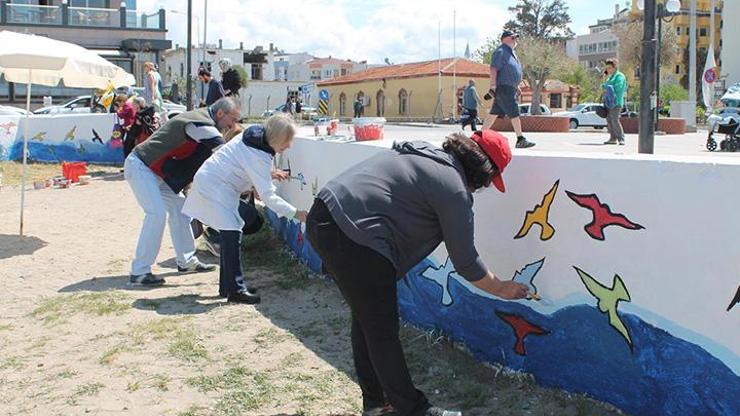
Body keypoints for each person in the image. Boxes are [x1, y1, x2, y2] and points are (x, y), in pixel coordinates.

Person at [306, 130, 529, 416]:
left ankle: (376, 403)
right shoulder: (453, 188)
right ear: (483, 171)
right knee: (381, 331)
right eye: (488, 181)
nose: (483, 187)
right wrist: (502, 288)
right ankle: (414, 410)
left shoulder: (421, 152)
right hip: (357, 236)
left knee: (368, 321)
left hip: (324, 215)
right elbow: (466, 261)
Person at [183, 114, 308, 304]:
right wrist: (296, 213)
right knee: (231, 232)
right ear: (277, 138)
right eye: (287, 141)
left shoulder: (255, 138)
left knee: (230, 232)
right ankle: (236, 290)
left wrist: (264, 179)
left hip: (216, 182)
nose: (288, 146)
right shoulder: (258, 154)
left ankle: (229, 287)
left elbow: (249, 167)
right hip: (216, 186)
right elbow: (268, 196)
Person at [124, 97, 242, 286]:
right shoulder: (201, 123)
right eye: (233, 119)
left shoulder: (202, 120)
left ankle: (186, 261)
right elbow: (225, 152)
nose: (233, 125)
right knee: (156, 214)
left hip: (155, 173)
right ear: (220, 113)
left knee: (181, 211)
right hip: (141, 167)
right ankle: (140, 271)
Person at [481, 30, 535, 149]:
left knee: (493, 114)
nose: (515, 40)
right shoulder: (501, 51)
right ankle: (520, 139)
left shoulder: (511, 53)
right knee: (514, 112)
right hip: (504, 88)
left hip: (509, 88)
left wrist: (517, 86)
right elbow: (494, 69)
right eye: (513, 37)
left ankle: (479, 136)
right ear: (505, 39)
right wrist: (493, 86)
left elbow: (511, 71)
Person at [601, 59, 627, 145]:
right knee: (609, 120)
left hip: (616, 102)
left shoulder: (619, 76)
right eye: (606, 68)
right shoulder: (610, 77)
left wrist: (606, 86)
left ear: (614, 67)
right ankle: (613, 138)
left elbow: (618, 87)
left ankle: (621, 138)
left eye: (609, 68)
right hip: (608, 102)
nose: (607, 70)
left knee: (615, 120)